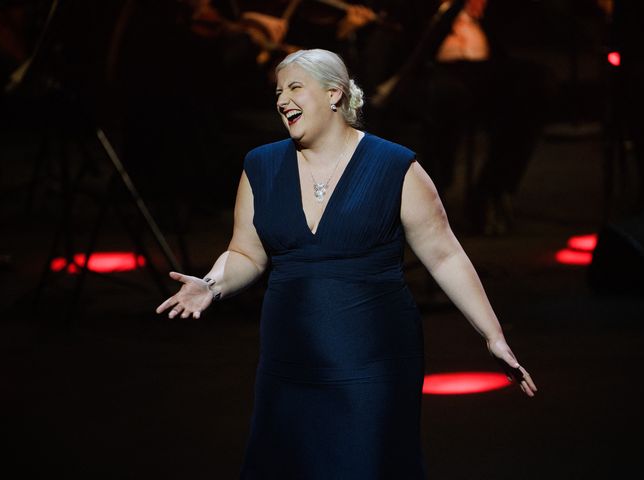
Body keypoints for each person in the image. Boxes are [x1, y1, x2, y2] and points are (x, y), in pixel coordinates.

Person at [156, 48, 537, 478]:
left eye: (296, 87)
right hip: (290, 361)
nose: (283, 100)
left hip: (373, 364)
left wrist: (492, 335)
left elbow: (445, 255)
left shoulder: (394, 166)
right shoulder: (260, 166)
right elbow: (246, 252)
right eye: (279, 91)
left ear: (335, 94)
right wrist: (211, 284)